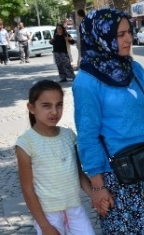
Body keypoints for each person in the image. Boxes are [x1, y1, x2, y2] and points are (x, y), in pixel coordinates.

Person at [73, 8, 144, 234]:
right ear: (100, 37)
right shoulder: (87, 81)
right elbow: (87, 136)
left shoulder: (135, 69)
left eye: (129, 32)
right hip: (117, 177)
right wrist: (97, 186)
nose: (129, 38)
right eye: (120, 35)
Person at [16, 80, 96, 235]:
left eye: (59, 104)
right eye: (46, 105)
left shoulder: (69, 136)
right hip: (48, 214)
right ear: (31, 108)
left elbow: (78, 173)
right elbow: (27, 189)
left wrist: (94, 194)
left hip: (75, 208)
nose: (54, 111)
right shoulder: (26, 144)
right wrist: (45, 226)